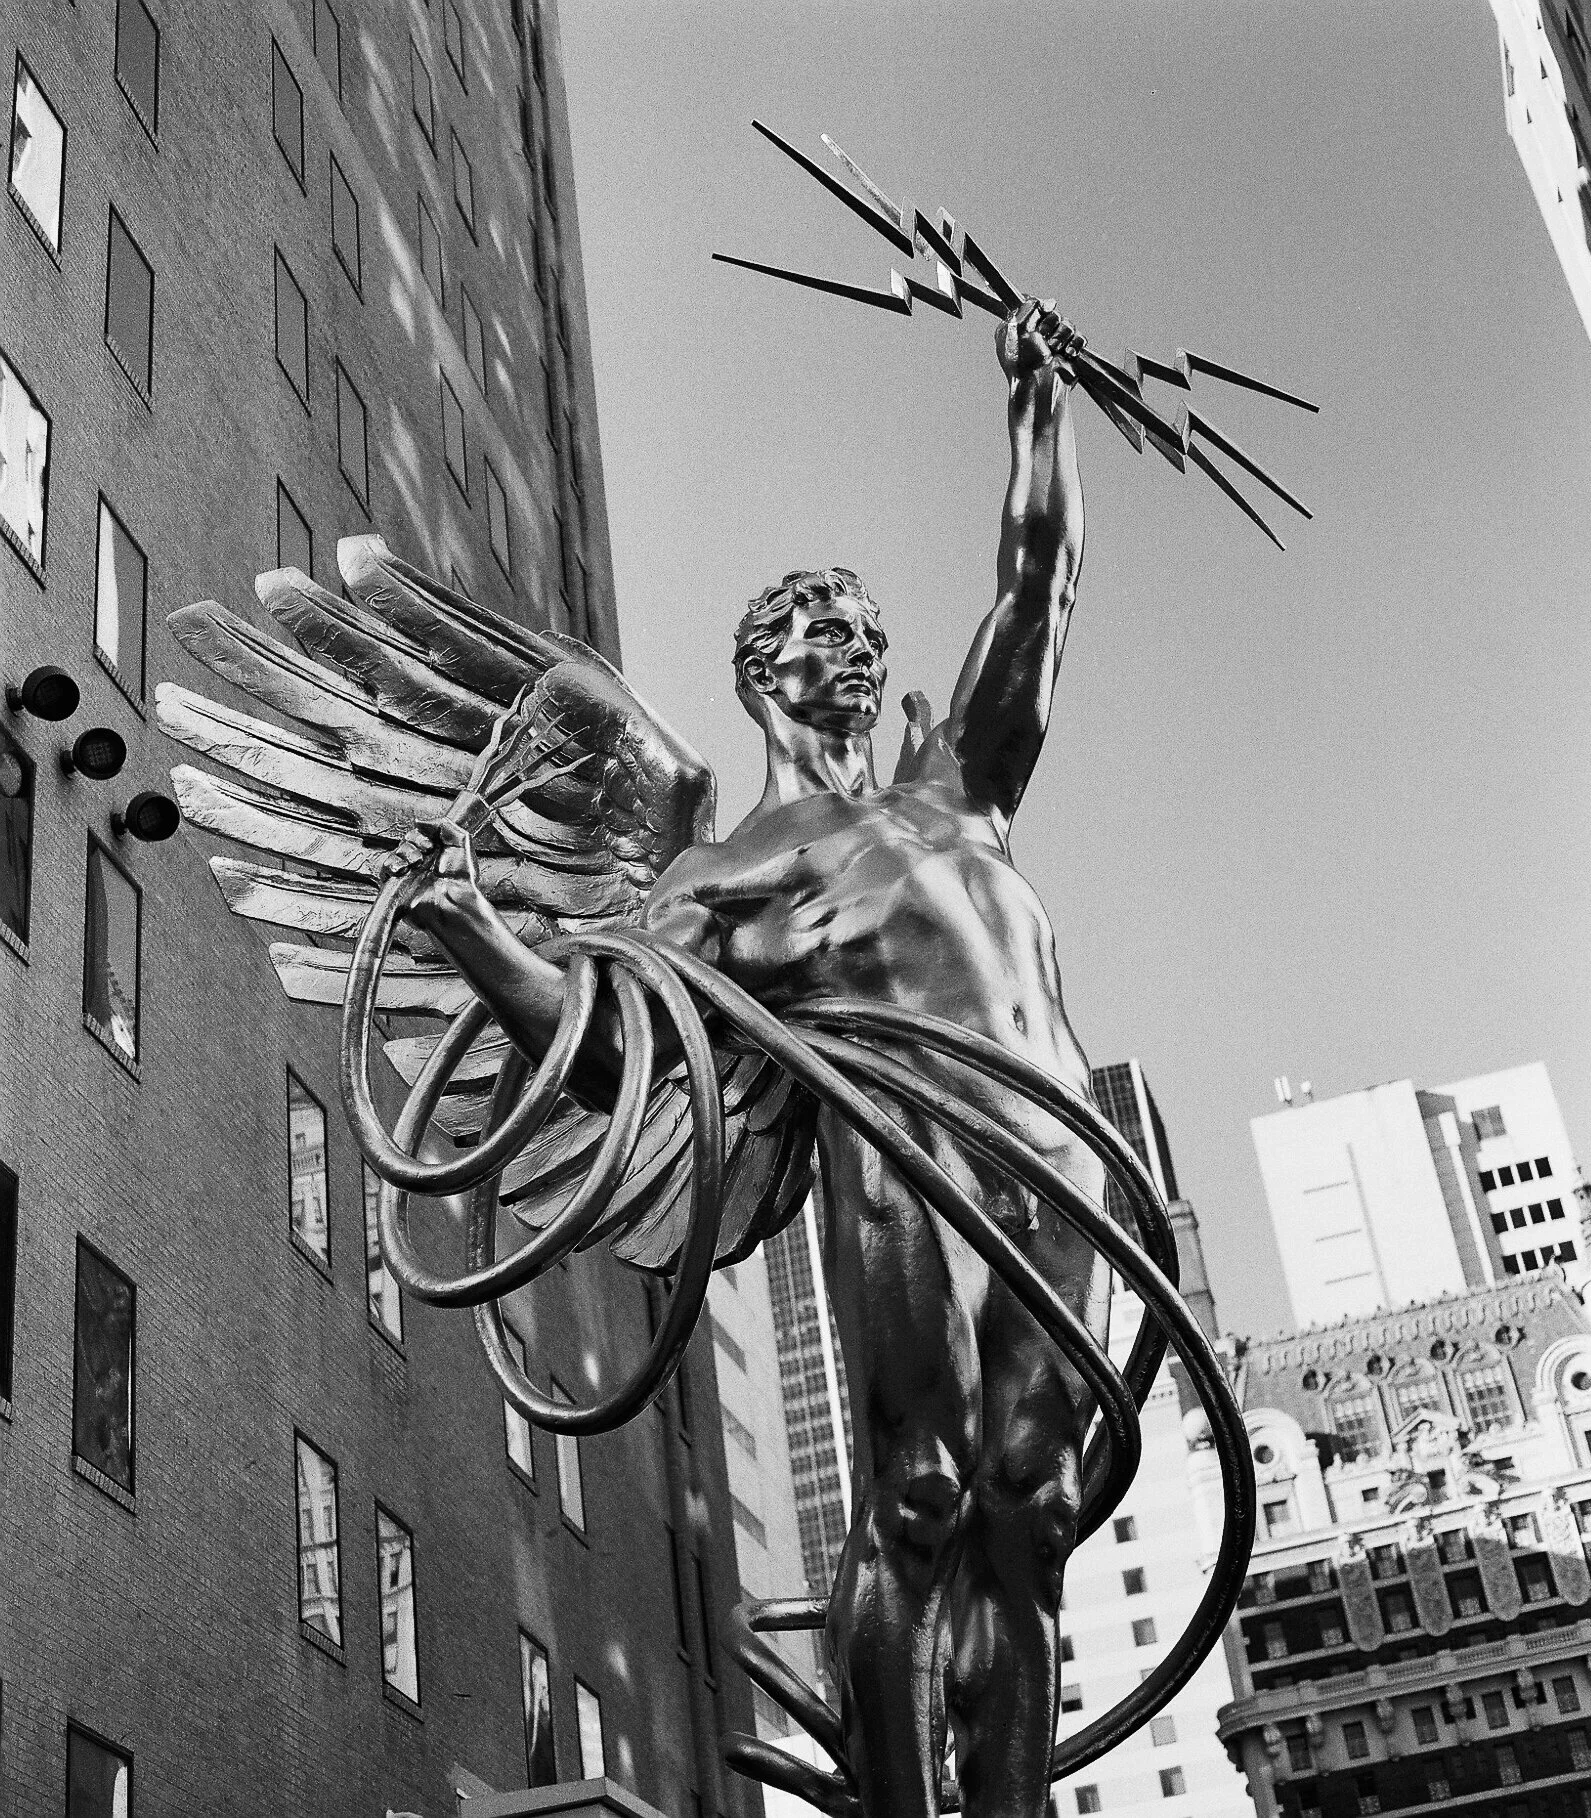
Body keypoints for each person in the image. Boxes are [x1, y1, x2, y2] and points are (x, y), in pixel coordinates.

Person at [392, 299, 1104, 1818]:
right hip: (899, 1163)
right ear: (765, 669)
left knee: (1029, 1514)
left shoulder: (956, 785)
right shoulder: (724, 874)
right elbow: (610, 1052)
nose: (857, 649)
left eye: (866, 632)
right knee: (917, 1496)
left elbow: (1036, 588)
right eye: (824, 633)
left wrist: (1037, 418)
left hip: (1055, 1163)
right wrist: (465, 922)